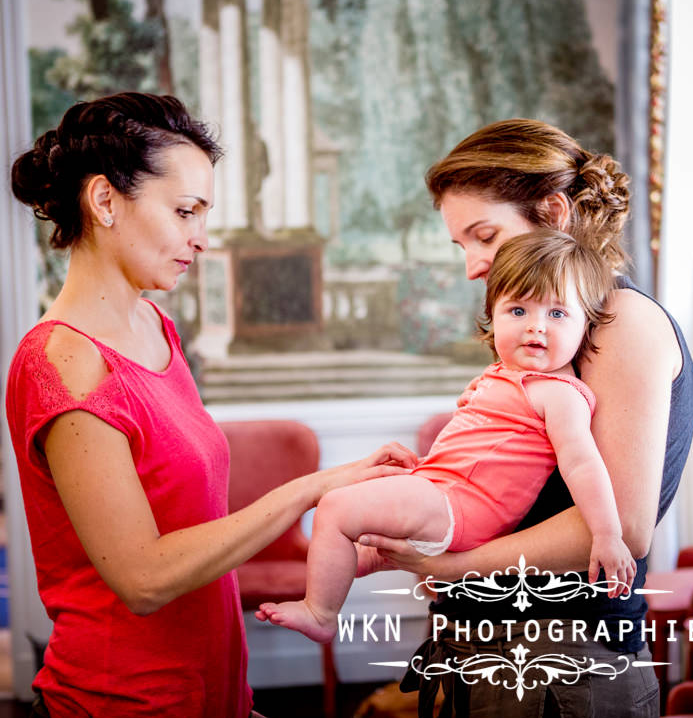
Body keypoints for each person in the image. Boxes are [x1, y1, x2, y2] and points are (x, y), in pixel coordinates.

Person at [5, 92, 413, 718]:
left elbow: (191, 518)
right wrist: (309, 489)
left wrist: (345, 547)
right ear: (106, 201)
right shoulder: (62, 362)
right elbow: (143, 578)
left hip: (213, 692)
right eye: (185, 211)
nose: (200, 238)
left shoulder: (155, 326)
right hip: (126, 709)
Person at [356, 119, 693, 718]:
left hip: (561, 667)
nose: (472, 267)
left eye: (482, 236)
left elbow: (623, 526)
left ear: (553, 211)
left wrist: (454, 568)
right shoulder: (555, 335)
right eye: (461, 246)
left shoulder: (622, 322)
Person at [256, 229, 638, 644]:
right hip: (445, 490)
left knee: (334, 507)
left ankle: (321, 612)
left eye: (557, 314)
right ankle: (360, 558)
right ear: (493, 315)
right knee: (361, 516)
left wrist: (606, 534)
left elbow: (582, 462)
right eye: (518, 311)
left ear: (586, 325)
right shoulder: (507, 376)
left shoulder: (561, 395)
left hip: (462, 505)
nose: (536, 327)